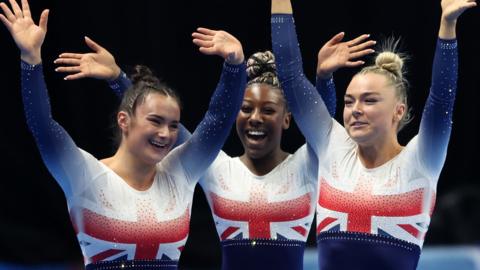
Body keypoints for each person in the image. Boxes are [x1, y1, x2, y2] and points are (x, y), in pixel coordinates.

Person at [54, 29, 373, 270]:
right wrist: (117, 80)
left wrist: (324, 78)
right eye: (246, 108)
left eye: (268, 110)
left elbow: (322, 127)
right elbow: (159, 125)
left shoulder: (306, 165)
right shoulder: (218, 169)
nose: (255, 119)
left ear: (288, 118)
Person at [0, 1, 246, 269]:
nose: (166, 134)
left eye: (174, 125)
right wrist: (31, 60)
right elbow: (43, 127)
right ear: (124, 120)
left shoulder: (180, 172)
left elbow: (217, 122)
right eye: (155, 121)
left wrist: (235, 65)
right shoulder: (85, 174)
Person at [270, 0, 476, 269]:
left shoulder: (421, 160)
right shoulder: (333, 148)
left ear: (398, 111)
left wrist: (447, 27)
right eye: (348, 101)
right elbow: (290, 74)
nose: (355, 110)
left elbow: (440, 102)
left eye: (369, 101)